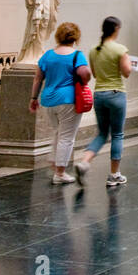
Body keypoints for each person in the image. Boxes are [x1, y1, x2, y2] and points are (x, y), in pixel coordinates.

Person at [29, 22, 90, 184]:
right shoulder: (77, 56)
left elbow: (38, 78)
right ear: (75, 37)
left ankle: (54, 161)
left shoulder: (48, 55)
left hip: (48, 100)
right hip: (68, 100)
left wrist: (33, 98)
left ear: (58, 36)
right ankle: (60, 172)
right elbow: (84, 73)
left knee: (58, 132)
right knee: (67, 137)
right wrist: (86, 77)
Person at [75, 16, 132, 187]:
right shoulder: (120, 49)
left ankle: (85, 161)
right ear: (116, 29)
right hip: (116, 93)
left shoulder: (94, 50)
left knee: (101, 133)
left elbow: (95, 74)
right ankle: (114, 174)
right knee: (117, 134)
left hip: (99, 94)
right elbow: (127, 72)